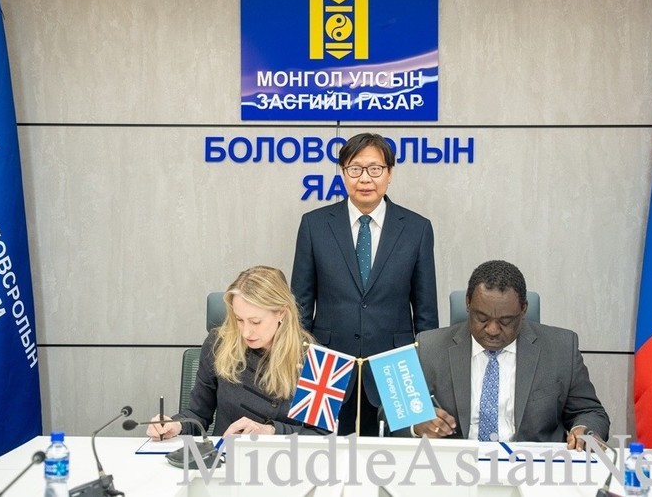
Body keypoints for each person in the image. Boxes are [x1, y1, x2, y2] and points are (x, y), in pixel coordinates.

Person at [292, 132, 438, 436]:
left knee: (397, 454)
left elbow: (426, 313)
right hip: (327, 364)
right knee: (318, 452)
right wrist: (300, 360)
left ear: (389, 174)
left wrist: (425, 373)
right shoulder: (314, 225)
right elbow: (301, 306)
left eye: (375, 169)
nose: (365, 178)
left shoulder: (417, 229)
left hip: (396, 365)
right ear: (343, 173)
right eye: (355, 169)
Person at [404, 260, 609, 450]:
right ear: (468, 303)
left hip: (533, 467)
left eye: (506, 321)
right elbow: (393, 417)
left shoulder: (560, 348)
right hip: (455, 466)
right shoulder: (429, 348)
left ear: (524, 309)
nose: (492, 330)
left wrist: (583, 431)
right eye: (482, 318)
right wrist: (416, 425)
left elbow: (590, 412)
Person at [147, 266, 326, 439]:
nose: (246, 332)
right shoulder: (219, 343)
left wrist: (271, 431)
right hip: (226, 455)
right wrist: (176, 425)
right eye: (239, 319)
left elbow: (322, 435)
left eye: (255, 322)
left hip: (285, 457)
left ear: (281, 313)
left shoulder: (318, 360)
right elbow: (197, 414)